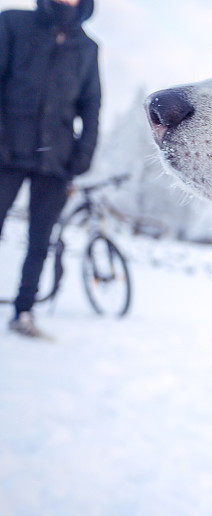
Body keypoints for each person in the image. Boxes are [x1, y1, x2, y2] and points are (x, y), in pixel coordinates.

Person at [0, 0, 100, 339]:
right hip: (7, 150)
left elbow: (91, 105)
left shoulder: (87, 47)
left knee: (40, 242)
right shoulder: (13, 23)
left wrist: (84, 154)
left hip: (56, 158)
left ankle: (23, 312)